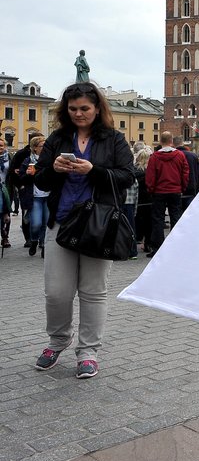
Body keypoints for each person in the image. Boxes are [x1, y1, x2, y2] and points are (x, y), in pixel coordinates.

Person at [32, 82, 134, 379]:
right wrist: (54, 169)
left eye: (84, 109)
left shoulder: (113, 139)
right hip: (62, 223)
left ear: (97, 108)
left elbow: (127, 176)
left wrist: (94, 171)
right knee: (56, 292)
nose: (78, 114)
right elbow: (40, 180)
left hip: (98, 225)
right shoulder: (57, 138)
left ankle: (88, 351)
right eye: (73, 108)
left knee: (93, 291)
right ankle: (58, 339)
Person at [145, 131, 189, 257]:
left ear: (160, 141)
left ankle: (157, 247)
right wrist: (182, 187)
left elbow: (150, 175)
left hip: (159, 191)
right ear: (171, 141)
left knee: (158, 219)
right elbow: (185, 173)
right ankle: (176, 246)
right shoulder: (180, 155)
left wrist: (151, 189)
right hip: (175, 190)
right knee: (175, 217)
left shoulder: (154, 157)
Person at [18, 136, 50, 256]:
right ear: (35, 148)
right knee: (36, 223)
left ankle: (44, 245)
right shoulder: (28, 161)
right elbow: (21, 178)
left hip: (48, 195)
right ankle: (34, 241)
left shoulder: (49, 160)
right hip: (35, 196)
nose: (45, 148)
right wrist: (27, 174)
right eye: (42, 146)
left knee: (46, 223)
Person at [172, 136, 199, 211]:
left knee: (176, 215)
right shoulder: (193, 156)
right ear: (182, 143)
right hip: (191, 190)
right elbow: (198, 175)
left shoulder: (172, 155)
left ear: (173, 144)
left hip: (176, 191)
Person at [0, 137, 11, 247]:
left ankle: (5, 237)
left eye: (1, 146)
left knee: (6, 213)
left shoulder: (9, 157)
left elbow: (13, 172)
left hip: (6, 188)